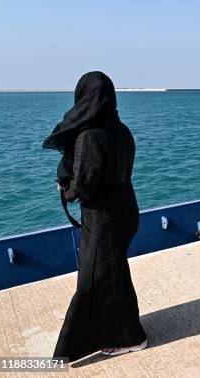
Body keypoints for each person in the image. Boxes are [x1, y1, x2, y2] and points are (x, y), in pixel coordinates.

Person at [42, 71, 147, 362]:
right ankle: (130, 332)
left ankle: (75, 350)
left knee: (91, 279)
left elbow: (84, 188)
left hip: (104, 216)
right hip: (126, 208)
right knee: (114, 273)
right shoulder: (121, 129)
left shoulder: (89, 136)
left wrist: (65, 188)